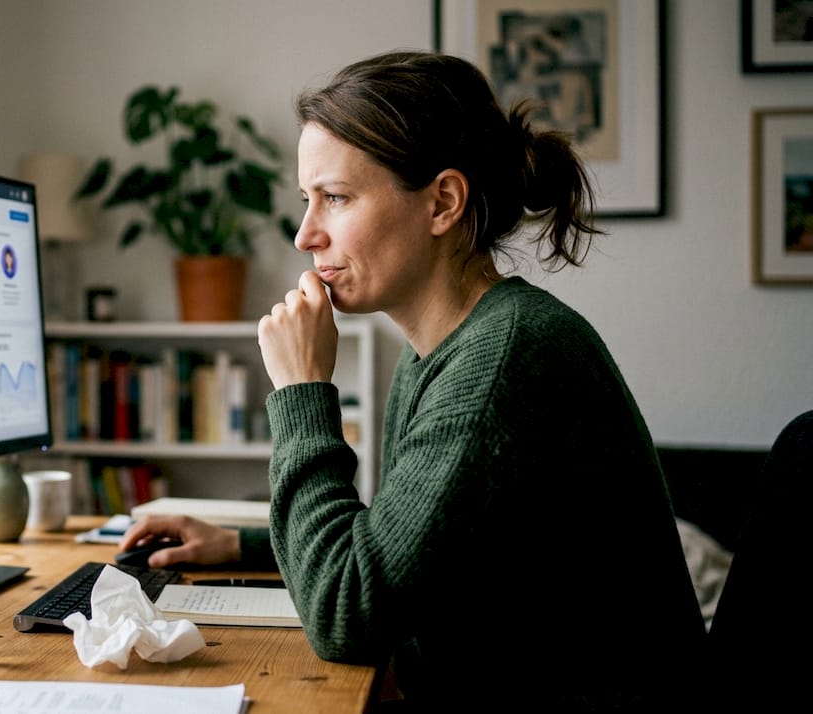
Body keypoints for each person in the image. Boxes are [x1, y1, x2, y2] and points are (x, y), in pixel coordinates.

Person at [120, 51, 706, 708]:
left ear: (442, 203)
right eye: (306, 200)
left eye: (336, 198)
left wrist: (301, 394)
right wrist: (240, 543)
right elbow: (401, 548)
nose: (304, 235)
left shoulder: (504, 359)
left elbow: (347, 616)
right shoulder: (445, 346)